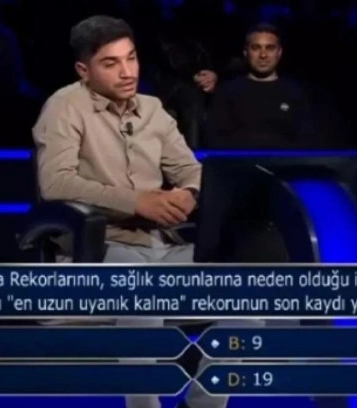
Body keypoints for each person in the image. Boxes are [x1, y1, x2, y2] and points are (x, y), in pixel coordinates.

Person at [32, 15, 237, 408]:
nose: (127, 72)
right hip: (100, 248)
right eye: (111, 63)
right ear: (84, 70)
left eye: (132, 58)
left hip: (164, 246)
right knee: (143, 288)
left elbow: (191, 170)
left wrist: (190, 194)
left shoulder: (153, 109)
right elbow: (55, 184)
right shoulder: (63, 107)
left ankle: (203, 404)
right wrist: (136, 201)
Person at [204, 23, 321, 149]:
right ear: (246, 52)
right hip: (239, 161)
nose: (263, 55)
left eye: (270, 48)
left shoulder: (295, 93)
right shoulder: (227, 92)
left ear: (279, 52)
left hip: (285, 161)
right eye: (256, 48)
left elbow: (308, 140)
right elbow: (215, 139)